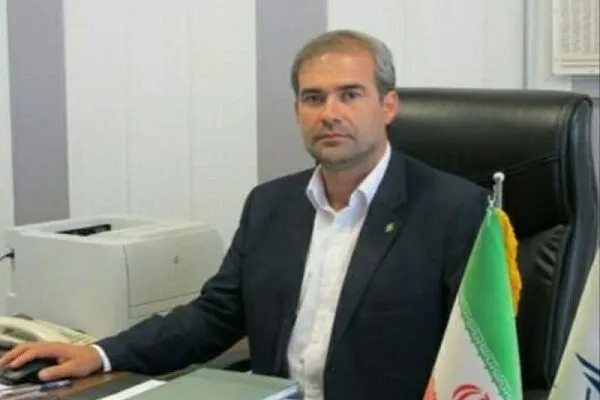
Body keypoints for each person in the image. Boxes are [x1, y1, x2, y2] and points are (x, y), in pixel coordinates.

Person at [0, 30, 488, 399]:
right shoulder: (271, 205)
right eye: (313, 98)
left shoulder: (454, 210)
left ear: (388, 106)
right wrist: (100, 353)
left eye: (349, 94)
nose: (329, 113)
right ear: (297, 111)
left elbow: (476, 359)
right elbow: (215, 316)